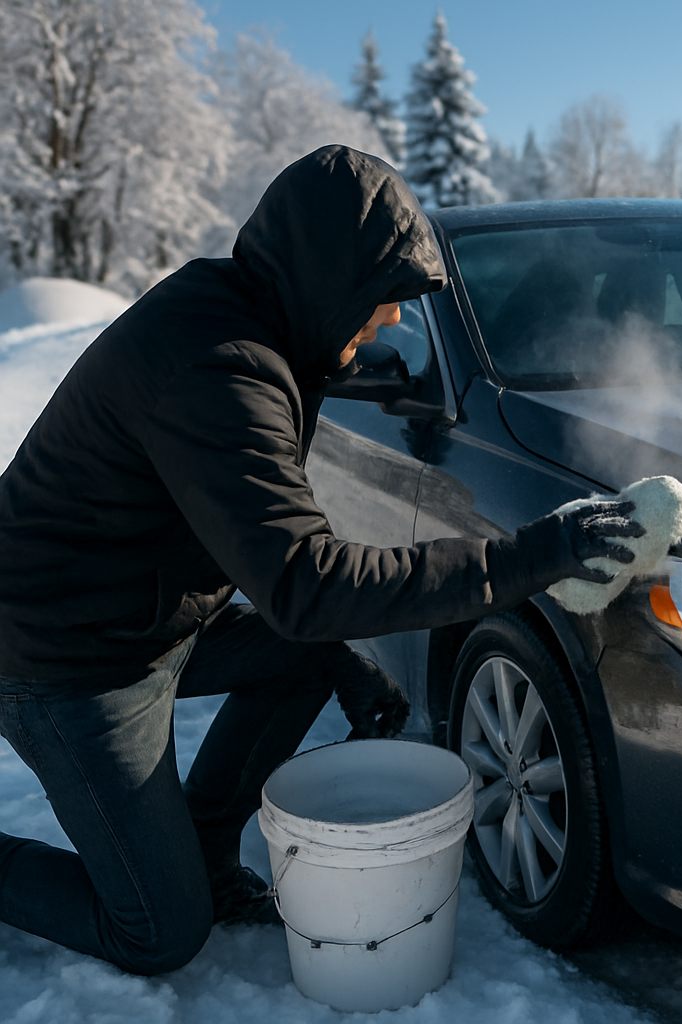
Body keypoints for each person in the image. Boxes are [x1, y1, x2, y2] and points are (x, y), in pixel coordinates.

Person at [0, 146, 640, 976]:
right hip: (67, 657)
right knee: (158, 932)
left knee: (313, 657)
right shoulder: (216, 367)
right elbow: (304, 585)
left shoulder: (256, 326)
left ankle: (200, 854)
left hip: (142, 617)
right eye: (380, 302)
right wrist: (531, 557)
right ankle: (162, 888)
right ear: (328, 280)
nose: (390, 324)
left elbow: (293, 592)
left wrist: (339, 653)